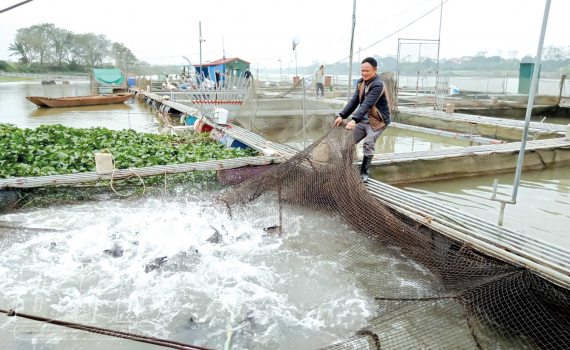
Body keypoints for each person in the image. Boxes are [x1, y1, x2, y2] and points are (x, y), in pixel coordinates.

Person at [333, 57, 390, 183]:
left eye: (367, 71)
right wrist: (342, 115)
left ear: (375, 70)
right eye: (362, 71)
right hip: (363, 120)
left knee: (369, 143)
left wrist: (354, 120)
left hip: (377, 121)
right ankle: (345, 168)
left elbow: (367, 104)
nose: (364, 73)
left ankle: (364, 172)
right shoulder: (361, 83)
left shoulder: (378, 85)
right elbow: (354, 101)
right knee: (347, 143)